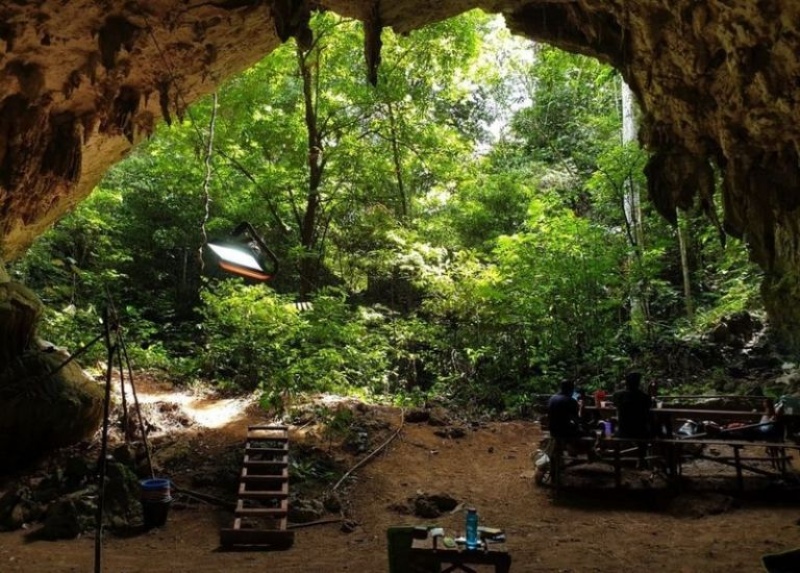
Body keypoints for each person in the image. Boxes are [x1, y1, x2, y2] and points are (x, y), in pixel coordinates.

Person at [613, 371, 652, 467]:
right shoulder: (644, 397)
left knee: (607, 424)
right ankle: (642, 458)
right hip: (640, 431)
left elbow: (615, 404)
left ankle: (606, 448)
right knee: (648, 429)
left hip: (622, 430)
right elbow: (649, 410)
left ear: (626, 382)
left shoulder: (618, 395)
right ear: (638, 383)